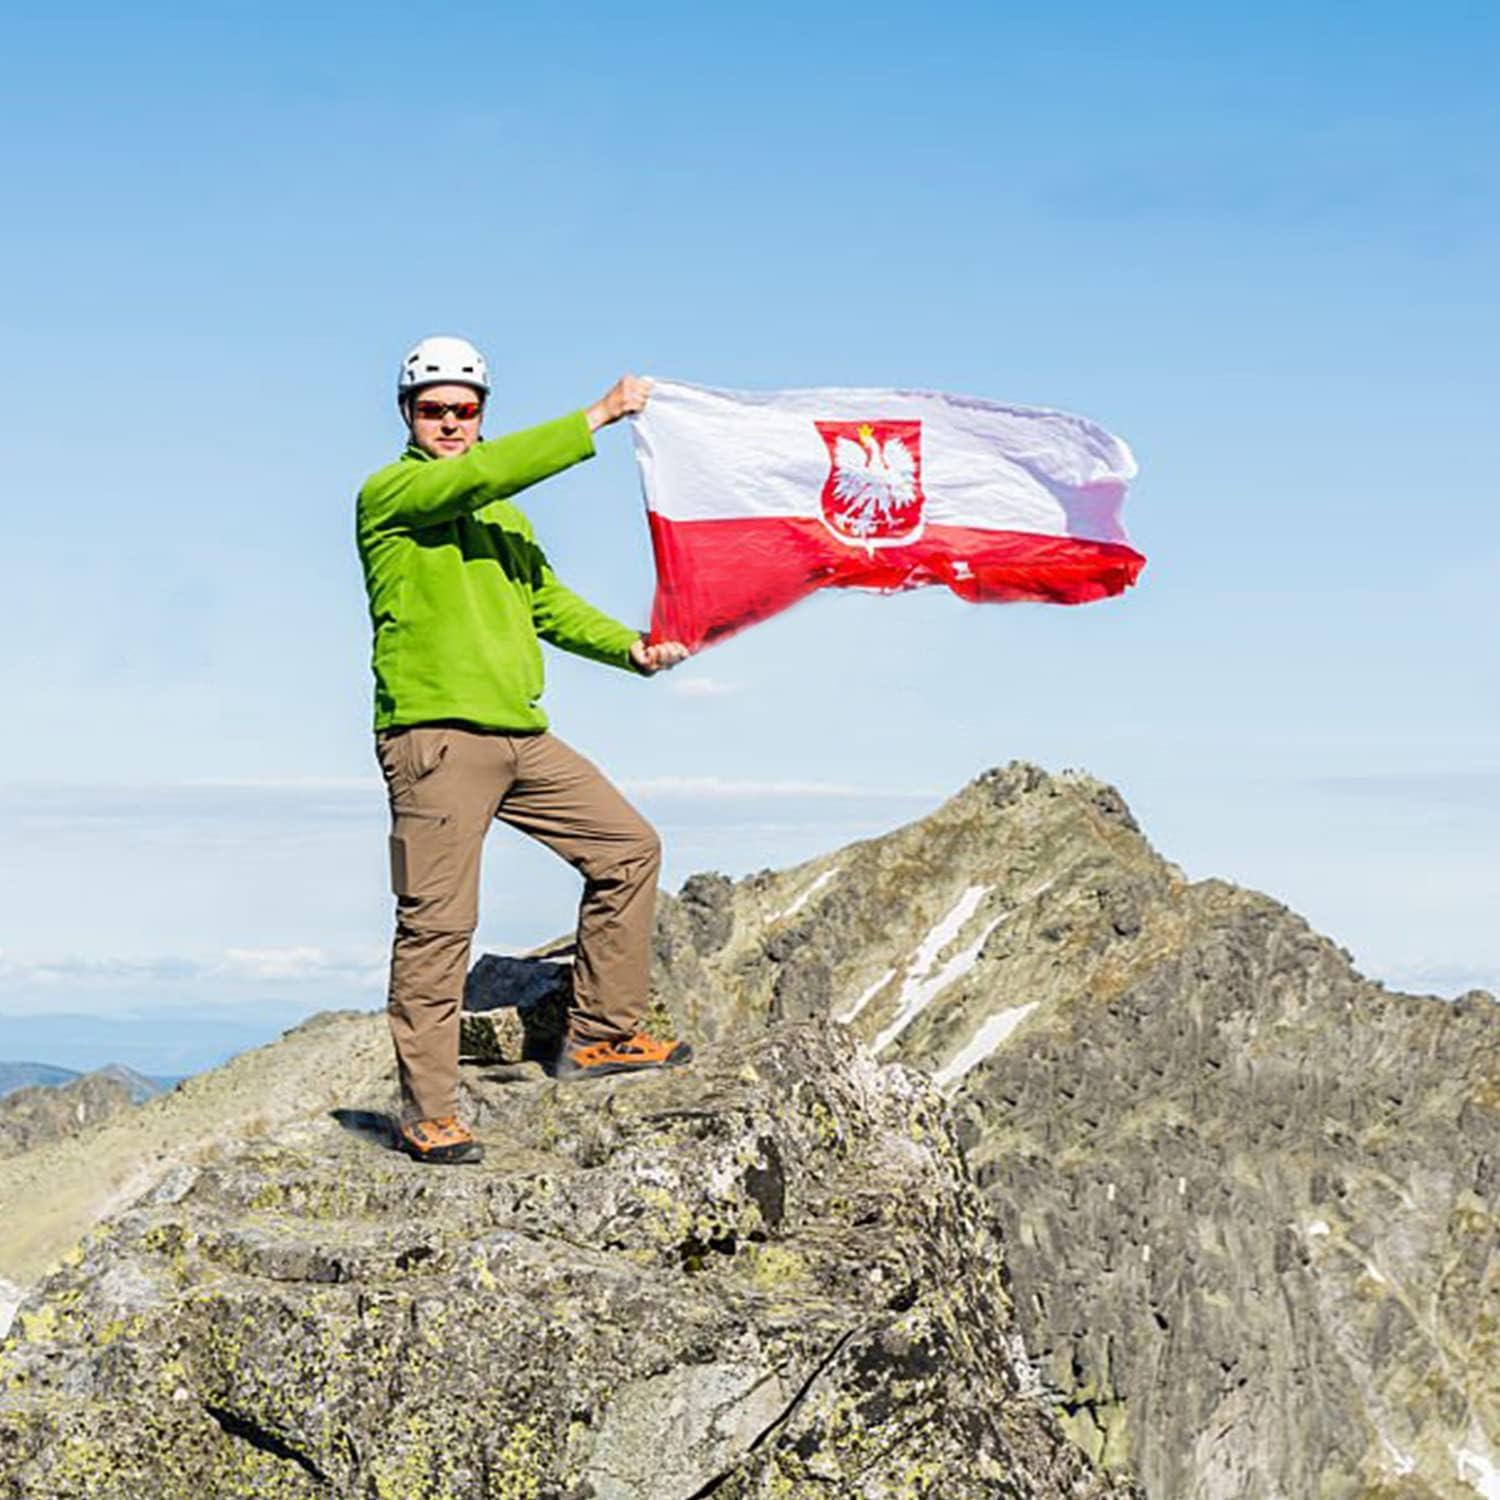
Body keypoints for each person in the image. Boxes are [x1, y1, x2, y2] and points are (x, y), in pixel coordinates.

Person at [356, 335, 692, 1165]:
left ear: (480, 413)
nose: (449, 423)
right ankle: (428, 1112)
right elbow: (479, 476)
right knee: (438, 928)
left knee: (628, 849)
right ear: (408, 414)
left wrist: (632, 648)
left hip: (520, 734)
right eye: (433, 409)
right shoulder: (392, 494)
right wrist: (597, 417)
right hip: (433, 741)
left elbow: (545, 601)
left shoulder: (502, 515)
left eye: (464, 410)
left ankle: (601, 1035)